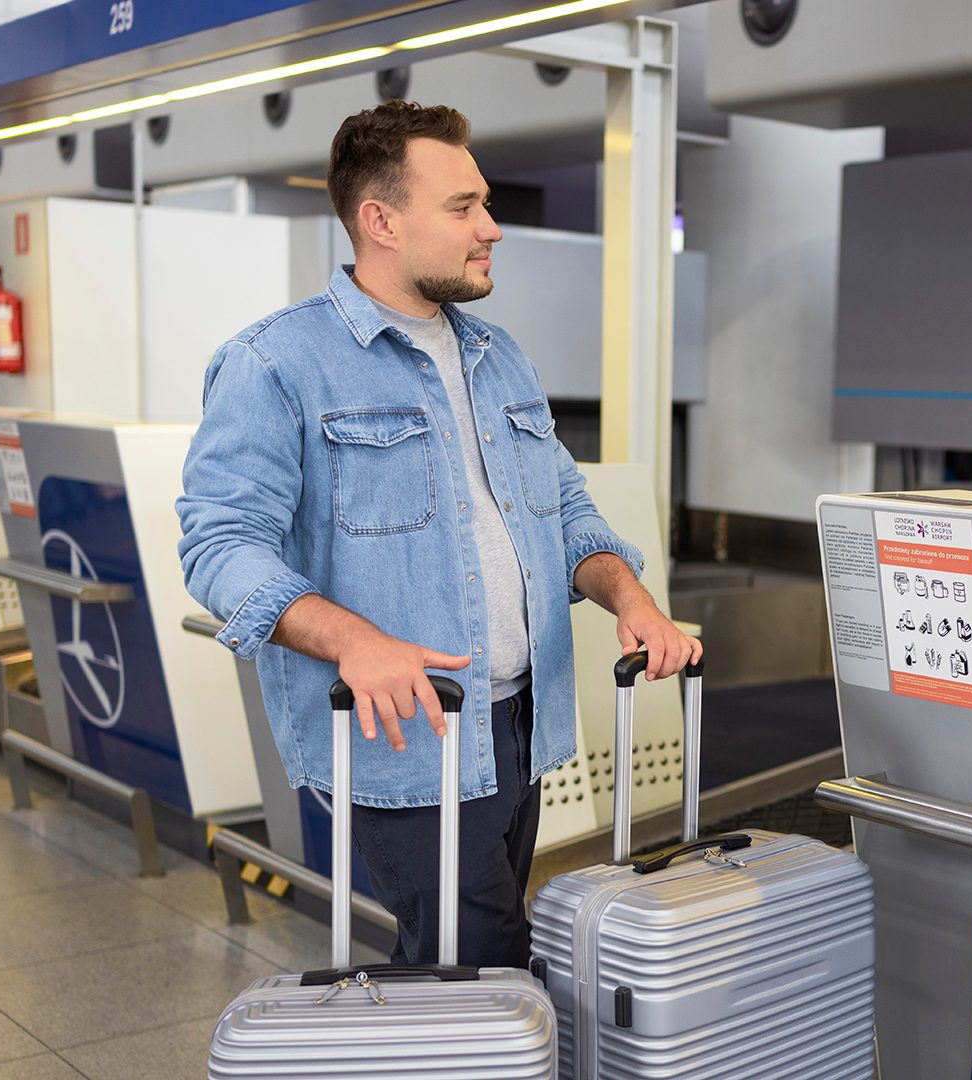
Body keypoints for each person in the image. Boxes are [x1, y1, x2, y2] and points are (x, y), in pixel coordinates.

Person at [176, 102, 699, 968]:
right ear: (379, 221)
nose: (491, 227)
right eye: (463, 208)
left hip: (522, 727)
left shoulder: (502, 357)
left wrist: (630, 595)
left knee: (464, 966)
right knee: (483, 963)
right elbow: (221, 543)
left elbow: (563, 509)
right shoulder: (277, 363)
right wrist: (355, 642)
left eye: (484, 203)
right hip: (406, 735)